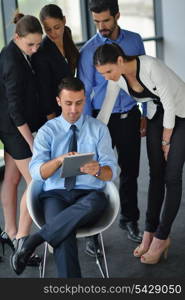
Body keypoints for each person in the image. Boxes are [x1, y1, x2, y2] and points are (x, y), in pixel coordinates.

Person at [10, 77, 117, 277]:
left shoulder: (99, 129)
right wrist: (59, 160)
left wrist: (97, 170)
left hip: (88, 195)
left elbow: (111, 172)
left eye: (79, 103)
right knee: (63, 235)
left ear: (85, 99)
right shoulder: (47, 131)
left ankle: (35, 240)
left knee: (98, 201)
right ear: (59, 101)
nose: (74, 110)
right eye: (68, 103)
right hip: (55, 196)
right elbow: (37, 173)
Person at [93, 42, 185, 264]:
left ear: (120, 61)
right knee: (155, 174)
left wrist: (166, 141)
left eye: (108, 71)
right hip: (157, 114)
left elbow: (170, 105)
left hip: (180, 113)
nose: (106, 77)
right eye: (102, 74)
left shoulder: (150, 65)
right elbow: (106, 109)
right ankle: (149, 233)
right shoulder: (118, 79)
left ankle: (162, 237)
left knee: (171, 177)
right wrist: (92, 135)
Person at [77, 0, 146, 256]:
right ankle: (92, 231)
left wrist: (145, 113)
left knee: (130, 172)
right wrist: (86, 128)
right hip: (100, 120)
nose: (101, 27)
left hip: (129, 115)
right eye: (96, 22)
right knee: (94, 175)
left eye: (105, 20)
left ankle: (130, 220)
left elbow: (142, 78)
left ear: (117, 15)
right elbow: (84, 90)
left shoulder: (135, 41)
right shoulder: (88, 51)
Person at [0, 13, 45, 265]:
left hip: (6, 125)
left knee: (11, 177)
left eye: (38, 43)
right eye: (31, 44)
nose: (35, 48)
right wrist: (31, 143)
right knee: (35, 180)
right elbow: (16, 111)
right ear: (17, 37)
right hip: (14, 128)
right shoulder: (13, 63)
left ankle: (9, 231)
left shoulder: (13, 52)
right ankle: (22, 243)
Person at [32, 4, 79, 120]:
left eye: (57, 27)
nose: (53, 33)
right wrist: (53, 124)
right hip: (55, 112)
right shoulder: (41, 53)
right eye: (48, 30)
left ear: (64, 20)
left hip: (73, 105)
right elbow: (44, 93)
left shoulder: (67, 33)